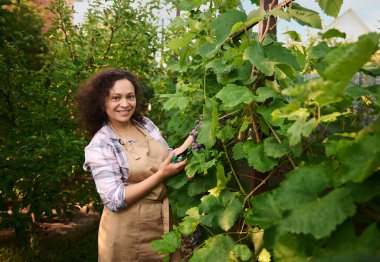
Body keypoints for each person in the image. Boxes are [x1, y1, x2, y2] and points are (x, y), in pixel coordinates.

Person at [77, 68, 189, 261]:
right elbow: (114, 199)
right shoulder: (101, 144)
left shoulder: (144, 124)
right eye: (116, 98)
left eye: (130, 96)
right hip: (125, 234)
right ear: (101, 102)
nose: (125, 104)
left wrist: (194, 137)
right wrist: (161, 175)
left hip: (162, 225)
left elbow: (168, 156)